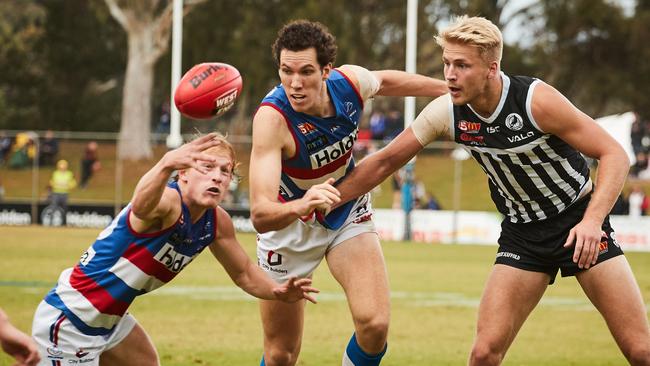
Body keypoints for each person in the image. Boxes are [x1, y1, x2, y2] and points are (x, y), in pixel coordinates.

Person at [334, 15, 650, 366]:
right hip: (523, 234)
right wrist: (324, 199)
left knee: (640, 351)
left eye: (462, 65)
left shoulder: (536, 101)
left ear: (491, 68)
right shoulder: (447, 111)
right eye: (446, 64)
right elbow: (383, 162)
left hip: (579, 222)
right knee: (484, 354)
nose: (450, 75)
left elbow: (615, 155)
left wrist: (592, 222)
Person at [249, 20, 447, 366]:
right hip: (288, 230)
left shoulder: (350, 84)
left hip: (346, 211)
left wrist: (447, 90)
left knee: (375, 324)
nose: (295, 83)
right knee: (281, 355)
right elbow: (260, 214)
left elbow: (386, 81)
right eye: (286, 71)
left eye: (306, 71)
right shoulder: (272, 120)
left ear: (327, 70)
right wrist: (302, 204)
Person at [32, 133, 319, 366]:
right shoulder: (169, 201)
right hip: (70, 320)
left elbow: (244, 272)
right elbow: (141, 207)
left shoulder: (216, 222)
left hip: (110, 322)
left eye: (225, 171)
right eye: (207, 167)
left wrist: (277, 291)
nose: (218, 177)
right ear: (183, 173)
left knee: (145, 361)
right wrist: (164, 164)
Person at [48, 159, 77, 224]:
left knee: (65, 209)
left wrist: (68, 186)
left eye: (63, 165)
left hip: (65, 193)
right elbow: (51, 182)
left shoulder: (69, 173)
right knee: (53, 207)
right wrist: (55, 185)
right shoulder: (55, 173)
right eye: (61, 165)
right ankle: (50, 222)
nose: (62, 167)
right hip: (56, 193)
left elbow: (73, 183)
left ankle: (64, 222)